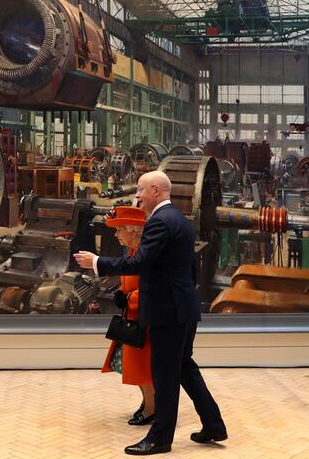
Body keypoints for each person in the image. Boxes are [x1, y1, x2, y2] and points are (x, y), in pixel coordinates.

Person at [74, 171, 227, 456]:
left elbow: (140, 263)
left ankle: (160, 439)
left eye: (141, 191)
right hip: (183, 307)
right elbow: (190, 269)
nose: (137, 197)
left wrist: (97, 262)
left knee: (165, 376)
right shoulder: (179, 220)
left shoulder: (159, 221)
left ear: (156, 190)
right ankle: (214, 425)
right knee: (184, 369)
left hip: (168, 311)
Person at [100, 206, 155, 426]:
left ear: (133, 230)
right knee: (138, 370)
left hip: (145, 323)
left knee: (144, 371)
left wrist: (130, 299)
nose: (116, 235)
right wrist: (123, 294)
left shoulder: (144, 252)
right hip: (134, 320)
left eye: (118, 229)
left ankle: (152, 409)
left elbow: (152, 287)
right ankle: (148, 404)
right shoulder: (134, 251)